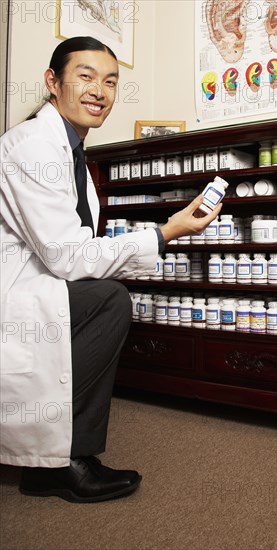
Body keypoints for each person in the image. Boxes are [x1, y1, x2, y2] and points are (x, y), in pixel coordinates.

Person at [0, 36, 222, 503]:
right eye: (85, 76)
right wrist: (165, 232)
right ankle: (66, 462)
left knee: (103, 292)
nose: (99, 90)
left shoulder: (72, 151)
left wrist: (159, 234)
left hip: (36, 281)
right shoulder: (34, 146)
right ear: (52, 83)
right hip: (16, 290)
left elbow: (77, 247)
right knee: (109, 300)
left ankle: (52, 462)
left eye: (110, 81)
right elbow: (67, 256)